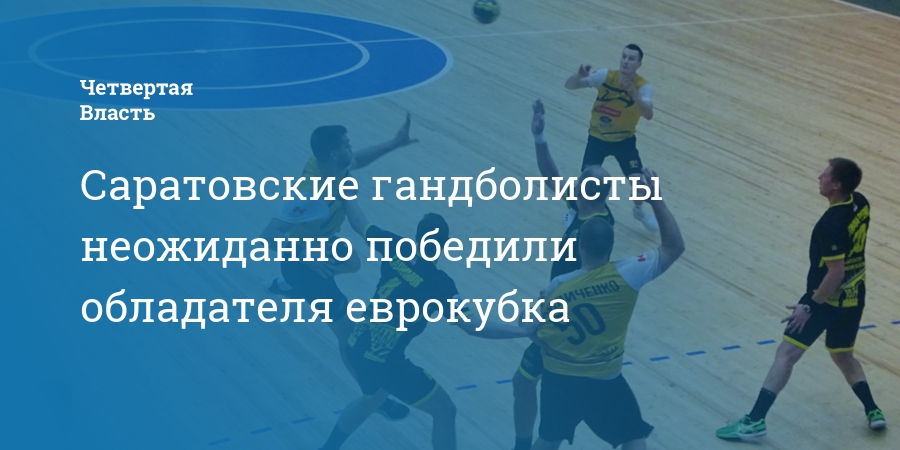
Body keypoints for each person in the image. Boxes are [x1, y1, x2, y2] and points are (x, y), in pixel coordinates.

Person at [318, 199, 536, 450]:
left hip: (357, 346)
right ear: (444, 245)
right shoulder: (440, 284)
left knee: (373, 398)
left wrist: (346, 192)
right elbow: (472, 326)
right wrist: (522, 331)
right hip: (386, 361)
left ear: (417, 236)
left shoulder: (396, 246)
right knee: (445, 410)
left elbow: (359, 223)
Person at [259, 114, 418, 420]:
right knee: (349, 336)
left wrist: (394, 144)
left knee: (353, 262)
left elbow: (358, 161)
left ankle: (287, 286)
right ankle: (374, 398)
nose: (351, 147)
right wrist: (306, 258)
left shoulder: (335, 167)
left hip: (322, 243)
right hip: (304, 265)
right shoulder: (309, 192)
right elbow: (268, 235)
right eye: (346, 144)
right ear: (333, 153)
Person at [716, 158, 886, 440]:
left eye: (825, 175)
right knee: (843, 355)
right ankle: (873, 410)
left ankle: (755, 421)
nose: (819, 177)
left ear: (836, 185)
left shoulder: (829, 225)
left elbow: (835, 273)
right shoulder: (861, 202)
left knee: (787, 353)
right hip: (855, 296)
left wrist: (809, 305)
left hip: (824, 299)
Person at [530, 168, 685, 450]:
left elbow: (535, 331)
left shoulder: (557, 287)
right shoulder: (628, 274)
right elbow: (674, 246)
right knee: (633, 437)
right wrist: (655, 198)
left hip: (560, 377)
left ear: (579, 246)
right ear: (612, 244)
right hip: (603, 378)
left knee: (549, 438)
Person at [510, 100, 616, 450]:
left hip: (567, 321)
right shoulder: (585, 207)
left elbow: (587, 279)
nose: (575, 181)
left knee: (552, 398)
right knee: (526, 383)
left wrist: (543, 306)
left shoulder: (596, 227)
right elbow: (552, 179)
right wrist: (539, 138)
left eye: (582, 179)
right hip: (559, 312)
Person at [564, 43, 658, 232]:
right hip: (597, 138)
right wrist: (578, 76)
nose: (626, 61)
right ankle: (575, 210)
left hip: (625, 141)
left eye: (631, 58)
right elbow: (570, 86)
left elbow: (648, 114)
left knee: (640, 184)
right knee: (586, 181)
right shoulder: (605, 76)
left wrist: (634, 95)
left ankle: (638, 211)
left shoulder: (643, 87)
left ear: (639, 64)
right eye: (624, 56)